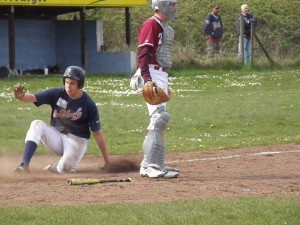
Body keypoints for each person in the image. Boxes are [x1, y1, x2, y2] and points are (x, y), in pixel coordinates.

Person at [13, 66, 110, 173]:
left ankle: (55, 167)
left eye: (72, 83)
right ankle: (24, 165)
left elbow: (97, 133)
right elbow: (33, 97)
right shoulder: (57, 93)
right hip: (58, 136)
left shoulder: (88, 104)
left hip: (77, 140)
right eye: (67, 82)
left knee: (65, 169)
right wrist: (21, 96)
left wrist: (107, 161)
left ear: (80, 84)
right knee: (36, 124)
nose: (68, 86)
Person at [133, 0, 179, 178]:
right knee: (159, 117)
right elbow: (143, 54)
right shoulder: (150, 24)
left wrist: (163, 82)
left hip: (159, 74)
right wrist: (147, 80)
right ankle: (151, 165)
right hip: (150, 73)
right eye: (172, 4)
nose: (175, 7)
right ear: (162, 5)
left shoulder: (163, 26)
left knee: (157, 120)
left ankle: (151, 163)